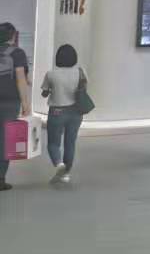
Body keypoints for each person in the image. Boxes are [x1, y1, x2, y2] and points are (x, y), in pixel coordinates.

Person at [41, 44, 87, 185]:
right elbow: (84, 90)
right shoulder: (80, 72)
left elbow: (44, 93)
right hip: (76, 112)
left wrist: (51, 90)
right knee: (70, 143)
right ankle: (66, 174)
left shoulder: (51, 74)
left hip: (57, 112)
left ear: (58, 58)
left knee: (53, 143)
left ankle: (59, 164)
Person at [0, 22, 31, 192]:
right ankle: (0, 179)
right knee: (5, 140)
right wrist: (26, 104)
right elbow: (21, 79)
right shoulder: (17, 53)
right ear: (13, 35)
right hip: (10, 102)